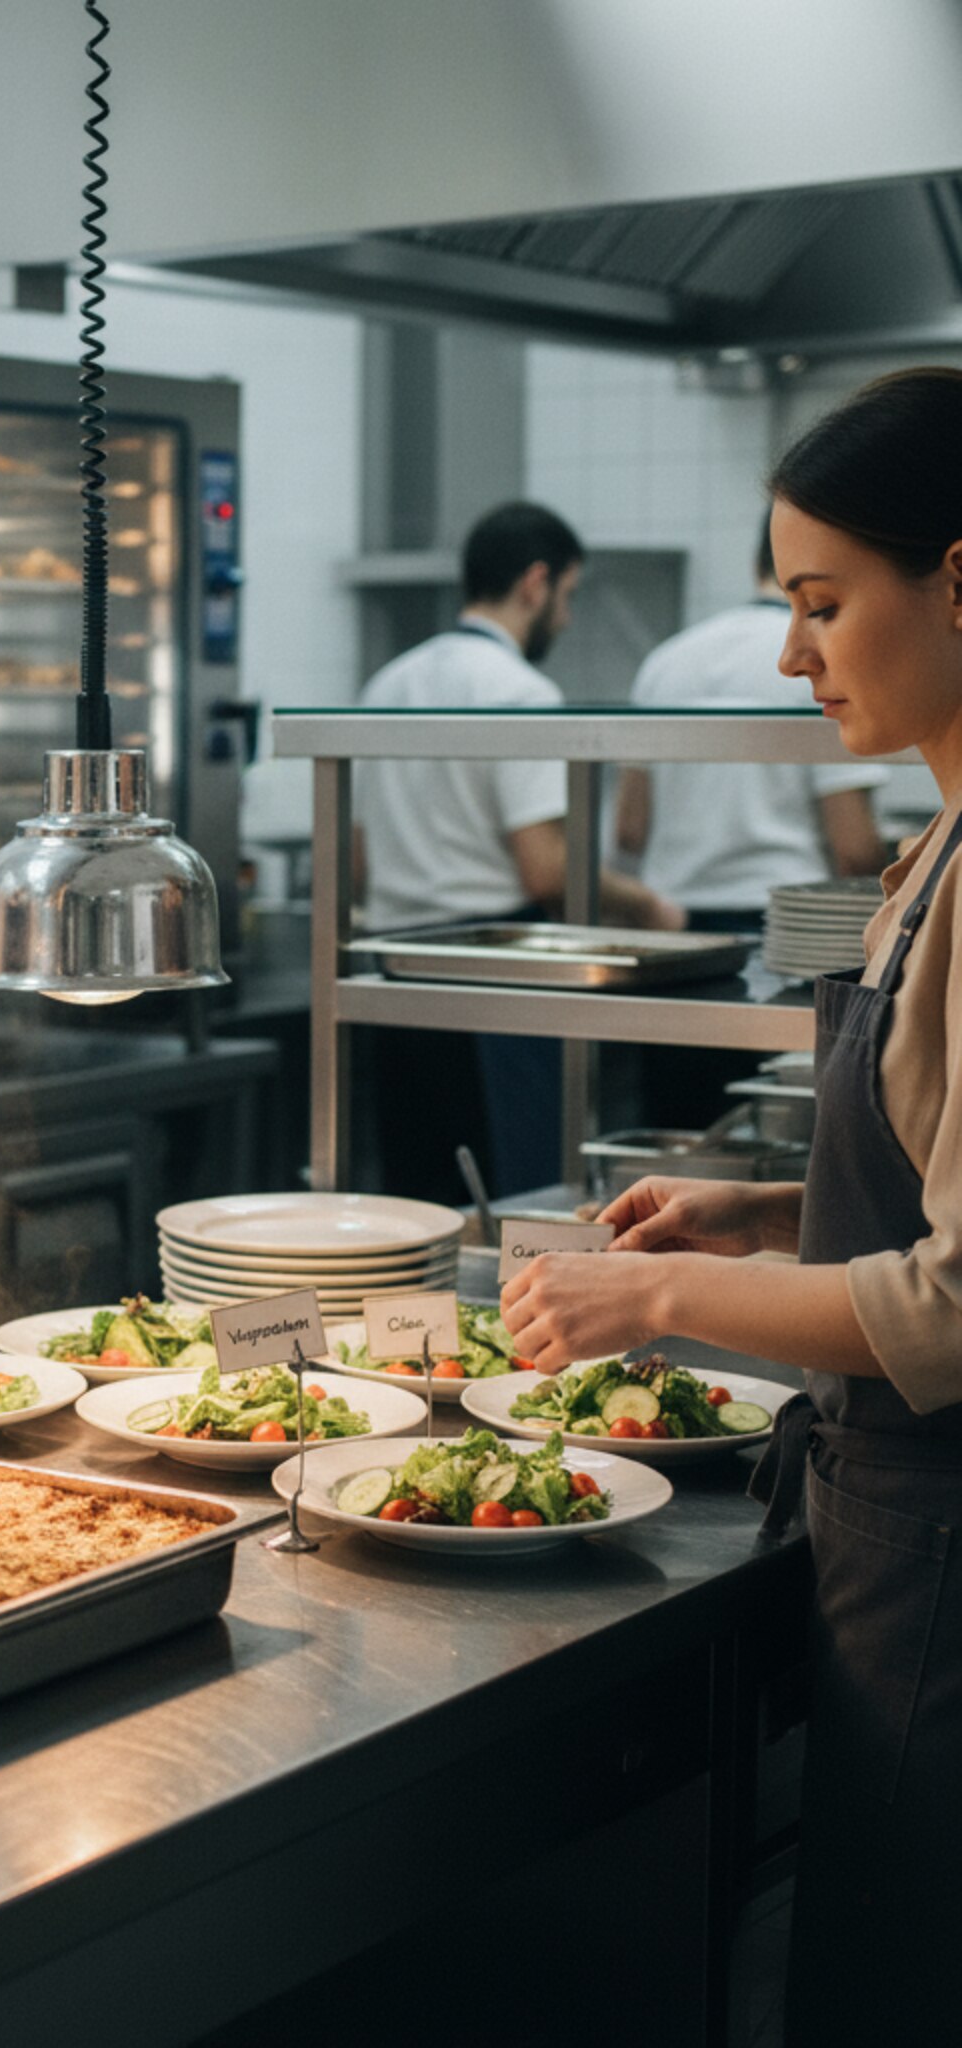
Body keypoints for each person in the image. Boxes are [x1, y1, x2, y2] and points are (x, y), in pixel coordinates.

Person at [500, 367, 962, 2044]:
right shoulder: (924, 850)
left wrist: (653, 1302)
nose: (792, 654)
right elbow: (922, 1166)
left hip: (934, 1535)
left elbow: (951, 1308)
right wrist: (759, 1211)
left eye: (823, 604)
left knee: (894, 1985)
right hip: (881, 1514)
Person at [352, 502, 680, 1199]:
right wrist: (649, 904)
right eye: (568, 596)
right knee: (514, 1205)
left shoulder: (389, 682)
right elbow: (547, 868)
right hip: (489, 980)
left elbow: (354, 859)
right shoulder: (522, 691)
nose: (564, 618)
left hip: (392, 977)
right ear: (536, 583)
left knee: (419, 1207)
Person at [615, 513, 889, 1126]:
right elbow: (854, 849)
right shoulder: (824, 662)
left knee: (681, 1143)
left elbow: (629, 829)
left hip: (677, 942)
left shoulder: (666, 662)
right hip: (789, 938)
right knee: (781, 1140)